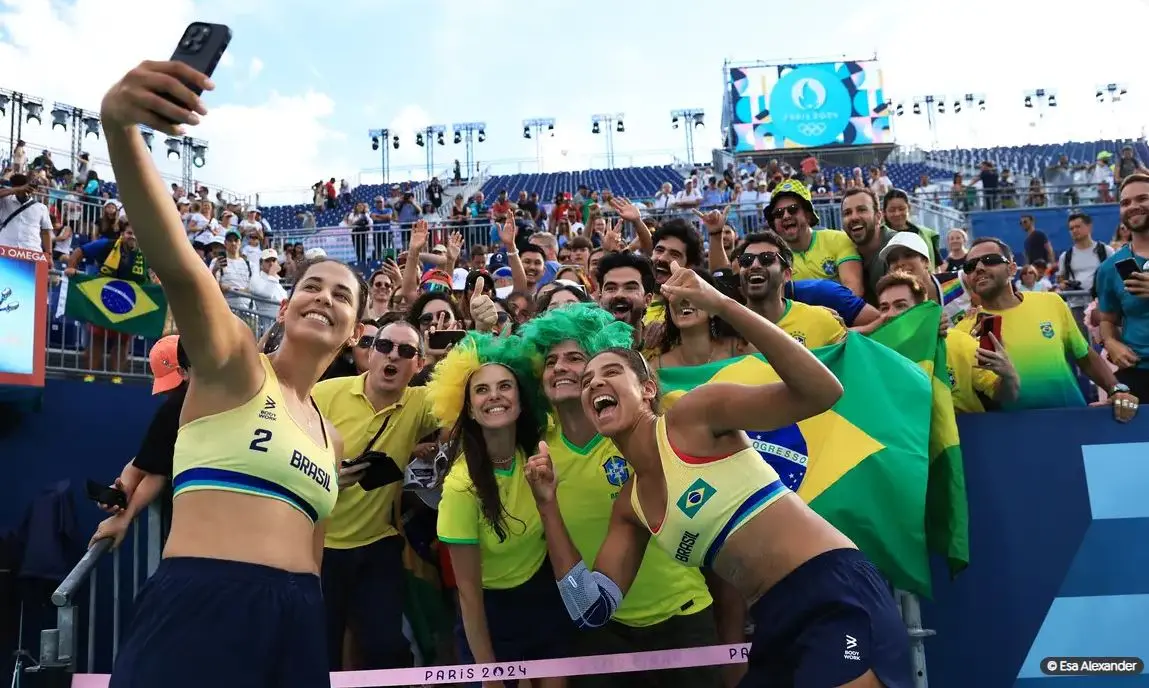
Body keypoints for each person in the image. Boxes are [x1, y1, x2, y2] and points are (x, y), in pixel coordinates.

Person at [100, 59, 367, 687]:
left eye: (341, 294)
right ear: (289, 300)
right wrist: (119, 127)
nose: (323, 297)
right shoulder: (236, 364)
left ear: (355, 329)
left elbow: (314, 550)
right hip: (203, 607)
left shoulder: (334, 437)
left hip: (299, 621)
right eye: (312, 286)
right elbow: (183, 268)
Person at [523, 262, 912, 688]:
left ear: (648, 388)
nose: (594, 384)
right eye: (586, 381)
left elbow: (823, 392)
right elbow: (590, 609)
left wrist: (722, 304)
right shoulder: (630, 505)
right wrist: (547, 506)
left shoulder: (692, 416)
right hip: (771, 617)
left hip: (833, 590)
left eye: (611, 371)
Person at [519, 303, 724, 688]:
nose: (560, 367)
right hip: (602, 630)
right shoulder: (537, 453)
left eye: (576, 357)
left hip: (684, 616)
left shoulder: (645, 432)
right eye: (550, 361)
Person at [428, 332, 571, 687]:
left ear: (521, 401)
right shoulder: (461, 486)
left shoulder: (539, 455)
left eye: (505, 386)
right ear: (470, 410)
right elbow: (468, 594)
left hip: (542, 599)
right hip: (488, 612)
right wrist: (489, 675)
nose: (494, 395)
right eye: (481, 390)